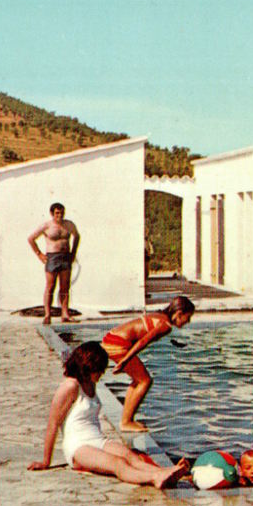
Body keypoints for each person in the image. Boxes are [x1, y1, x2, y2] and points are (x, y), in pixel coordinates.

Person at [27, 342, 191, 488]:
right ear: (87, 366)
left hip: (97, 440)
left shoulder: (91, 383)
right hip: (78, 447)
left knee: (130, 456)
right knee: (118, 463)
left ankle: (166, 471)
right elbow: (53, 423)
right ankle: (155, 477)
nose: (101, 374)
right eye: (99, 370)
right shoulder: (70, 386)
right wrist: (45, 462)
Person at [100, 296, 195, 432]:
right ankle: (126, 422)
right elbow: (143, 342)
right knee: (145, 381)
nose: (188, 322)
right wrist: (125, 360)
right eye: (188, 317)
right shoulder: (165, 326)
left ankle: (127, 419)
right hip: (118, 343)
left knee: (139, 379)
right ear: (179, 314)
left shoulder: (160, 316)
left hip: (111, 337)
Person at [28, 202, 80, 324]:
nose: (60, 215)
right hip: (52, 257)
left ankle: (65, 314)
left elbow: (77, 236)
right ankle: (47, 314)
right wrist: (39, 254)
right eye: (57, 213)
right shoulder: (47, 225)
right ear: (52, 213)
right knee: (50, 286)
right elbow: (31, 238)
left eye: (62, 212)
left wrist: (73, 253)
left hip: (65, 257)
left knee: (65, 287)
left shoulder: (68, 224)